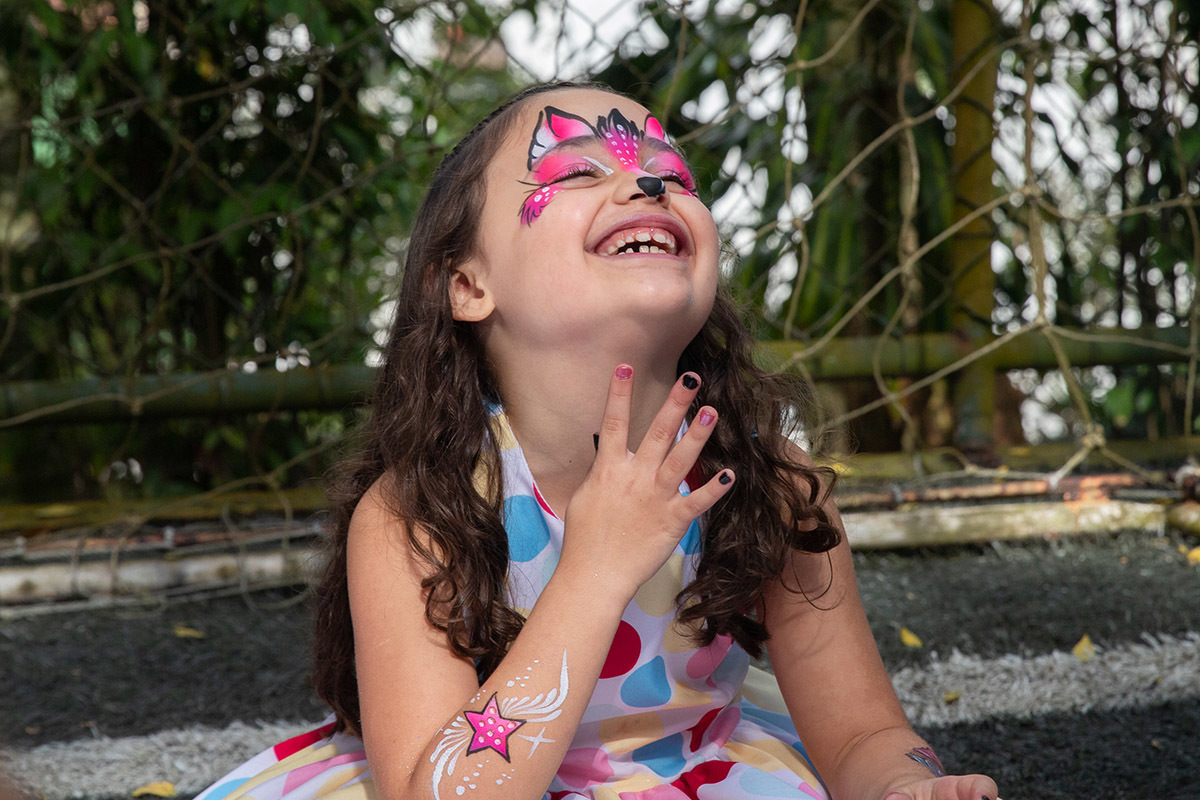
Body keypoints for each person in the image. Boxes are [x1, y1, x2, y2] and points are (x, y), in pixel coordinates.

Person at [195, 82, 1000, 800]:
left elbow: (861, 733)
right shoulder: (416, 517)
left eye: (674, 175)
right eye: (576, 172)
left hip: (710, 772)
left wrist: (901, 784)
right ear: (469, 285)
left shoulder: (771, 486)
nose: (646, 181)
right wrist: (595, 568)